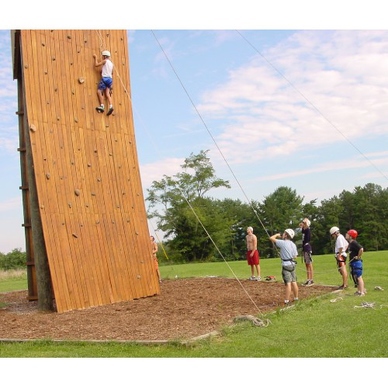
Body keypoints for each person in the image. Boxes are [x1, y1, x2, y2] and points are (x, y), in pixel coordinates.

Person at [269, 229, 299, 305]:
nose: (283, 234)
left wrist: (277, 235)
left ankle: (287, 300)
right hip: (292, 265)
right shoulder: (293, 244)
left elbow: (271, 238)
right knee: (294, 281)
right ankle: (296, 298)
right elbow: (295, 256)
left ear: (286, 235)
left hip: (286, 265)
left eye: (284, 233)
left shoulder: (282, 243)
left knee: (288, 283)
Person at [93, 50, 114, 116]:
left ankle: (102, 106)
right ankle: (111, 106)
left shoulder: (105, 61)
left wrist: (95, 57)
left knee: (99, 91)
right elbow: (111, 72)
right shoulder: (111, 63)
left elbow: (96, 65)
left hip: (105, 79)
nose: (102, 57)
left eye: (102, 56)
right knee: (107, 93)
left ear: (104, 56)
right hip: (110, 79)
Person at [346, 229, 366, 296]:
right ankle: (358, 291)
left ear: (351, 236)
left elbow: (361, 249)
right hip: (353, 262)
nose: (346, 235)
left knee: (359, 277)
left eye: (347, 234)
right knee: (355, 277)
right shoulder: (350, 243)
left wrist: (358, 256)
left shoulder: (354, 243)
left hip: (356, 262)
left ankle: (362, 292)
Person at [300, 218, 314, 286]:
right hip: (304, 248)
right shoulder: (304, 230)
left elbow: (306, 227)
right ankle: (308, 279)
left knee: (309, 263)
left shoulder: (308, 230)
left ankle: (311, 279)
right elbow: (301, 227)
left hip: (307, 248)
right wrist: (303, 224)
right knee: (306, 264)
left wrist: (305, 222)